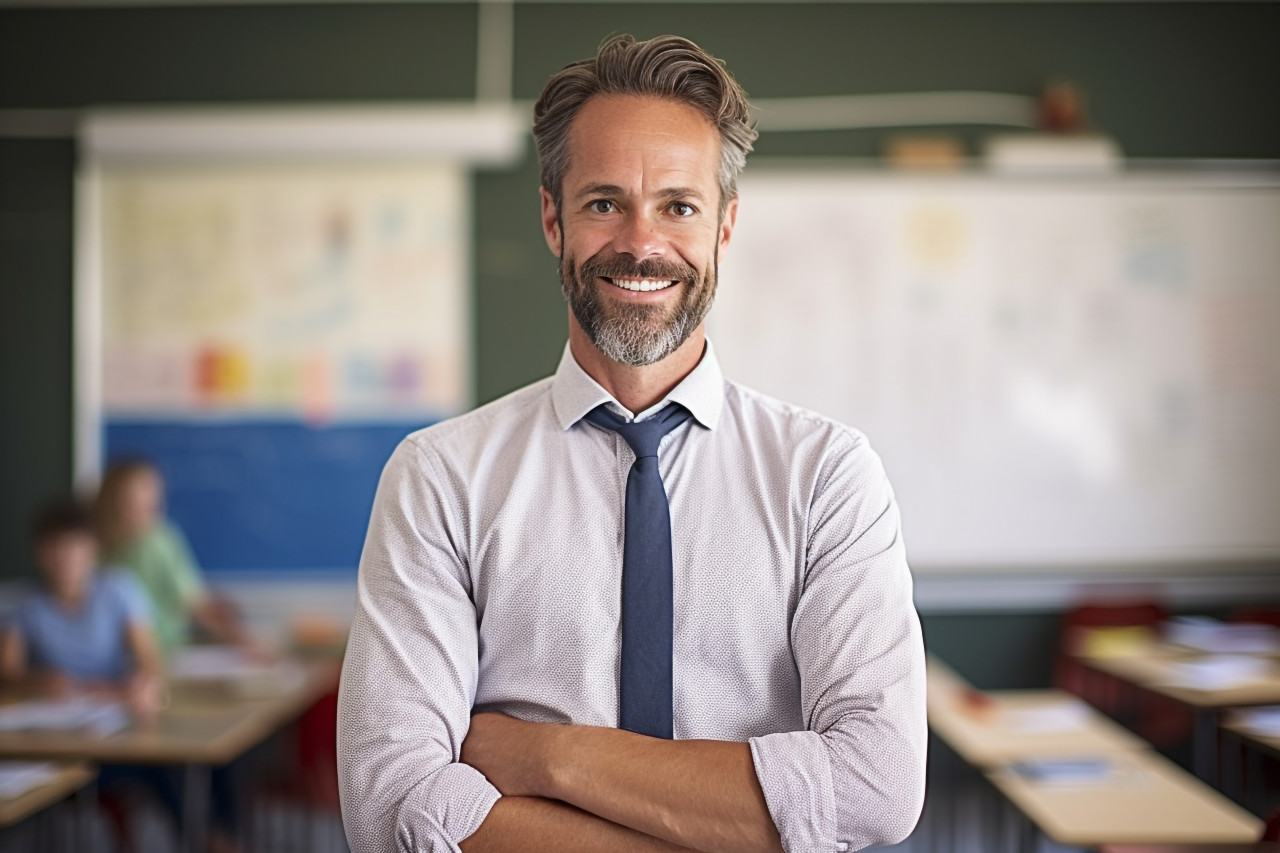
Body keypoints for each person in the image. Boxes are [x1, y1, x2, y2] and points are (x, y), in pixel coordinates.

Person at [338, 33, 926, 853]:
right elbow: (390, 803)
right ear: (553, 217)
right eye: (605, 202)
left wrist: (545, 755)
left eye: (678, 206)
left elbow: (877, 788)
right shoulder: (440, 479)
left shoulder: (826, 477)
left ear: (723, 227)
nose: (642, 243)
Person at [0, 499, 162, 718]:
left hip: (117, 711)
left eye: (74, 545)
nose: (63, 555)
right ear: (37, 551)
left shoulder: (118, 589)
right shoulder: (25, 607)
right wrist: (37, 681)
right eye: (53, 545)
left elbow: (148, 658)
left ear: (93, 548)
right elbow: (7, 672)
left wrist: (144, 683)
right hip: (53, 718)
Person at [95, 458, 245, 656]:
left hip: (163, 650)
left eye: (154, 495)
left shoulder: (160, 541)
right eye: (136, 498)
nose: (151, 502)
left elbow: (193, 603)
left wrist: (240, 640)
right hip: (106, 658)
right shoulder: (88, 544)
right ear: (112, 499)